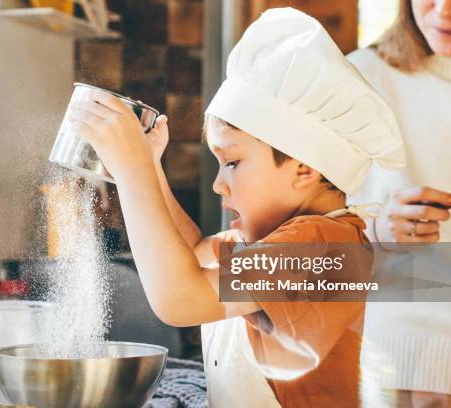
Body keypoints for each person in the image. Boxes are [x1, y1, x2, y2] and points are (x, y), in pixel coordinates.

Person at [68, 8, 404, 407]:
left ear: (305, 168)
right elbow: (190, 256)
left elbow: (181, 299)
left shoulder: (318, 246)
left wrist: (133, 169)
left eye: (232, 162)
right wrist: (146, 169)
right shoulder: (278, 240)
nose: (217, 183)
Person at [347, 0, 451, 405]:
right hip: (398, 316)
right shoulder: (360, 77)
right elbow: (299, 227)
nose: (446, 9)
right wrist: (376, 232)